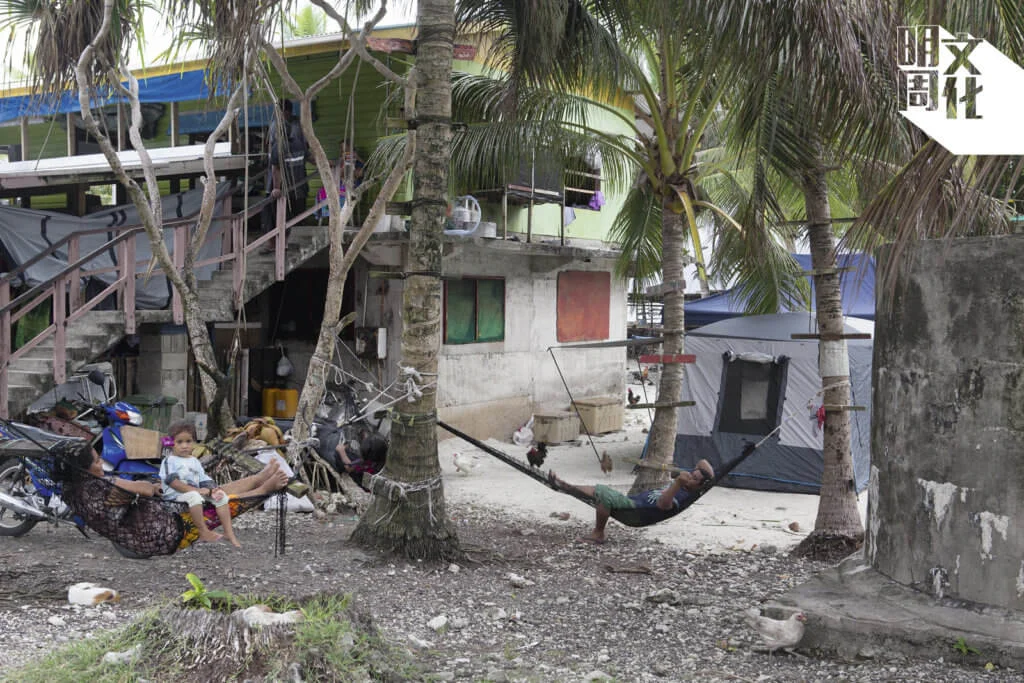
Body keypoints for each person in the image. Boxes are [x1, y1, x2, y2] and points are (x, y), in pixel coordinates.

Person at [159, 420, 289, 548]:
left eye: (188, 441)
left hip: (194, 498)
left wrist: (213, 489)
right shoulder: (170, 461)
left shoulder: (193, 461)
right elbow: (173, 482)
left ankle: (229, 533)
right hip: (175, 501)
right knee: (195, 495)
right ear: (171, 443)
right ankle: (203, 532)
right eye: (179, 442)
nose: (184, 446)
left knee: (221, 495)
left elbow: (203, 479)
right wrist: (198, 491)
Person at [547, 459, 715, 545]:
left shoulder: (683, 496)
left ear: (698, 487)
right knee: (599, 490)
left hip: (637, 512)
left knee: (604, 494)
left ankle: (598, 533)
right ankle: (565, 486)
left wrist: (678, 483)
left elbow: (664, 505)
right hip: (632, 502)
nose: (690, 476)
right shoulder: (688, 485)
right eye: (692, 473)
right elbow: (703, 462)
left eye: (694, 478)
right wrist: (703, 475)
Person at [264, 99, 309, 231]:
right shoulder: (274, 125)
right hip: (278, 169)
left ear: (287, 112)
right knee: (279, 207)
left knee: (296, 202)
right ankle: (282, 236)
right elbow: (272, 151)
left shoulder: (297, 126)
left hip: (295, 169)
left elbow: (305, 148)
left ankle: (294, 231)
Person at [315, 139, 364, 222]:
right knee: (322, 191)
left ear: (351, 148)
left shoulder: (357, 161)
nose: (342, 150)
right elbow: (336, 170)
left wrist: (349, 170)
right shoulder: (341, 160)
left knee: (339, 193)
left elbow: (359, 173)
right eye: (341, 148)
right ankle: (325, 213)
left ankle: (338, 216)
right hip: (338, 185)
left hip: (350, 187)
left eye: (345, 148)